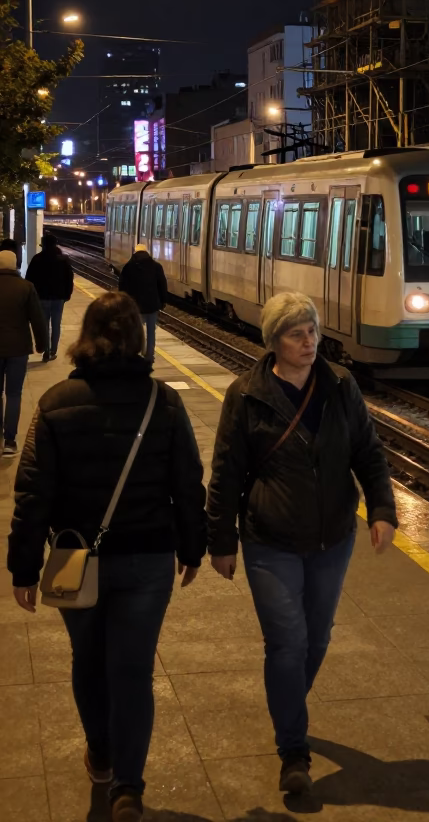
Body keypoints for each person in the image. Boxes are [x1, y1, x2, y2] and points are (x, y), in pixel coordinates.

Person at [7, 291, 207, 822]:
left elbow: (32, 493)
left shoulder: (54, 404)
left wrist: (23, 568)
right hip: (146, 561)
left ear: (83, 338)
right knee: (133, 670)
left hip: (75, 558)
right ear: (138, 339)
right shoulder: (164, 403)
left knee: (89, 662)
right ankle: (128, 789)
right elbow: (188, 482)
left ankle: (100, 752)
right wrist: (193, 546)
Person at [207, 291, 398, 797]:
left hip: (333, 536)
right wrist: (220, 539)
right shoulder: (245, 394)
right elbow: (225, 474)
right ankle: (293, 750)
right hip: (270, 538)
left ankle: (287, 702)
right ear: (274, 341)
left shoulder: (340, 386)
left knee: (316, 640)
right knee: (287, 643)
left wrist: (382, 510)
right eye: (297, 333)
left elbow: (368, 452)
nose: (309, 341)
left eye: (312, 330)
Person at [0, 248, 48, 457]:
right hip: (18, 348)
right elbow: (37, 318)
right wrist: (42, 344)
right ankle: (10, 441)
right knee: (13, 394)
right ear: (15, 265)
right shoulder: (26, 287)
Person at [25, 232, 75, 361]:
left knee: (44, 324)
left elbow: (29, 279)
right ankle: (53, 351)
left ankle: (46, 351)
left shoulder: (37, 259)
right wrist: (67, 294)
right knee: (56, 324)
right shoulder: (63, 260)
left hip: (42, 298)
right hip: (59, 298)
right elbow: (69, 278)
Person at [119, 244, 167, 363]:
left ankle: (137, 354)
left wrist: (124, 304)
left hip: (135, 307)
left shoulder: (128, 267)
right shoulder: (156, 266)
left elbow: (122, 287)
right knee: (151, 332)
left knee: (136, 331)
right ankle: (149, 355)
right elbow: (162, 285)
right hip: (152, 305)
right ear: (147, 253)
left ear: (134, 252)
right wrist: (162, 301)